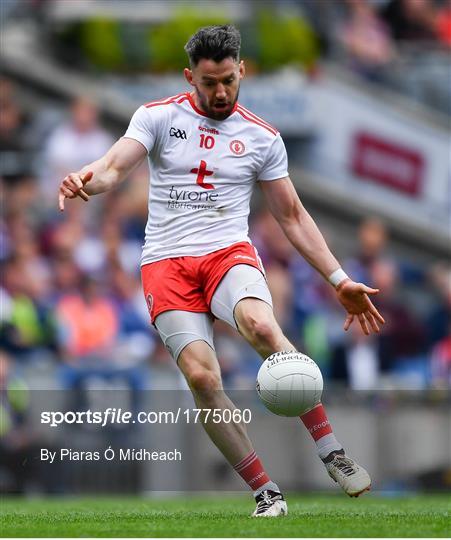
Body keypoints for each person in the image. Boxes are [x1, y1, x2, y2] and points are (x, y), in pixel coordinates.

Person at [57, 25, 384, 517]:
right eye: (209, 82)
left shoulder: (262, 137)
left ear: (242, 71)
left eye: (228, 80)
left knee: (261, 326)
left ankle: (330, 450)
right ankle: (265, 492)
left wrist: (339, 280)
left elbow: (291, 215)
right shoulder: (158, 117)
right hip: (165, 263)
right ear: (191, 77)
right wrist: (87, 178)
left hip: (226, 253)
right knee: (202, 379)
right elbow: (113, 167)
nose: (220, 92)